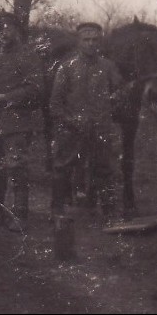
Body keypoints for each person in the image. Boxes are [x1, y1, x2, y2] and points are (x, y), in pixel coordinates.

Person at [0, 11, 44, 233]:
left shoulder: (28, 56)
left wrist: (6, 98)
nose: (4, 32)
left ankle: (20, 214)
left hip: (16, 123)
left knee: (17, 169)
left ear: (18, 31)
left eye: (9, 28)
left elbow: (35, 89)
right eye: (0, 29)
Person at [49, 22, 124, 222]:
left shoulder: (108, 67)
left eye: (95, 40)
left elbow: (120, 92)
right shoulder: (67, 67)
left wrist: (116, 98)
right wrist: (71, 120)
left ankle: (110, 214)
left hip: (100, 127)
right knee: (62, 167)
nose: (91, 44)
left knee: (105, 169)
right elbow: (55, 104)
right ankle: (57, 210)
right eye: (86, 40)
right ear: (78, 42)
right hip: (72, 128)